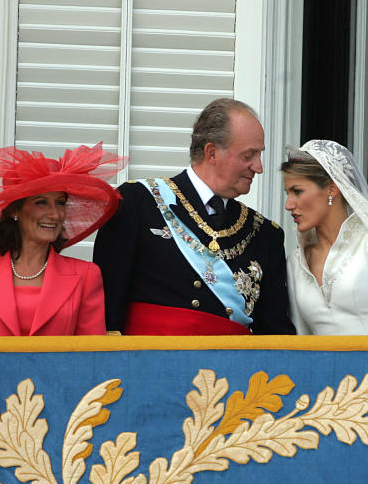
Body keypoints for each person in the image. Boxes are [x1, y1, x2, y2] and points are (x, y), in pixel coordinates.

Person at [93, 98, 295, 335]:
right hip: (149, 366)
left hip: (230, 370)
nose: (258, 167)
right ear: (211, 153)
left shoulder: (264, 233)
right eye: (248, 155)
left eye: (259, 155)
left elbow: (274, 335)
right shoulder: (137, 203)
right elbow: (106, 314)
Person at [0, 143, 124, 336]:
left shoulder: (87, 276)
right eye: (41, 203)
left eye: (60, 203)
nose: (55, 214)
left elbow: (92, 356)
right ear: (15, 210)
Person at [282, 140, 368, 335]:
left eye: (297, 191)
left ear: (331, 188)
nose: (288, 204)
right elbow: (300, 342)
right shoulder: (296, 263)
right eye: (287, 193)